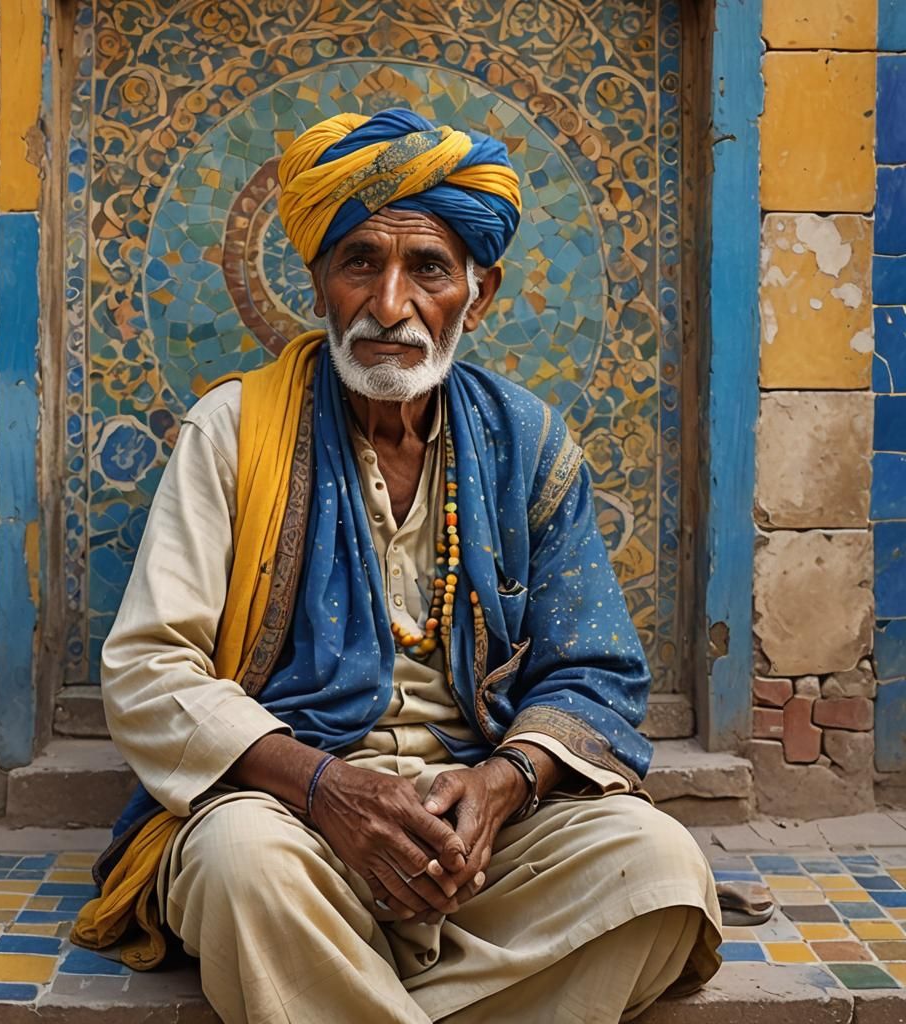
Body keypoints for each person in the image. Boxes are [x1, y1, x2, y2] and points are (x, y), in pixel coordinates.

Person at [76, 108, 722, 1024]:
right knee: (241, 872)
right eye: (358, 264)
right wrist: (326, 789)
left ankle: (335, 998)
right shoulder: (232, 432)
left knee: (660, 872)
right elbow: (148, 671)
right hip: (292, 814)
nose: (389, 305)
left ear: (478, 290)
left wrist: (503, 786)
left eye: (426, 268)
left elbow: (595, 671)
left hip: (481, 835)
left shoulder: (530, 444)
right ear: (317, 284)